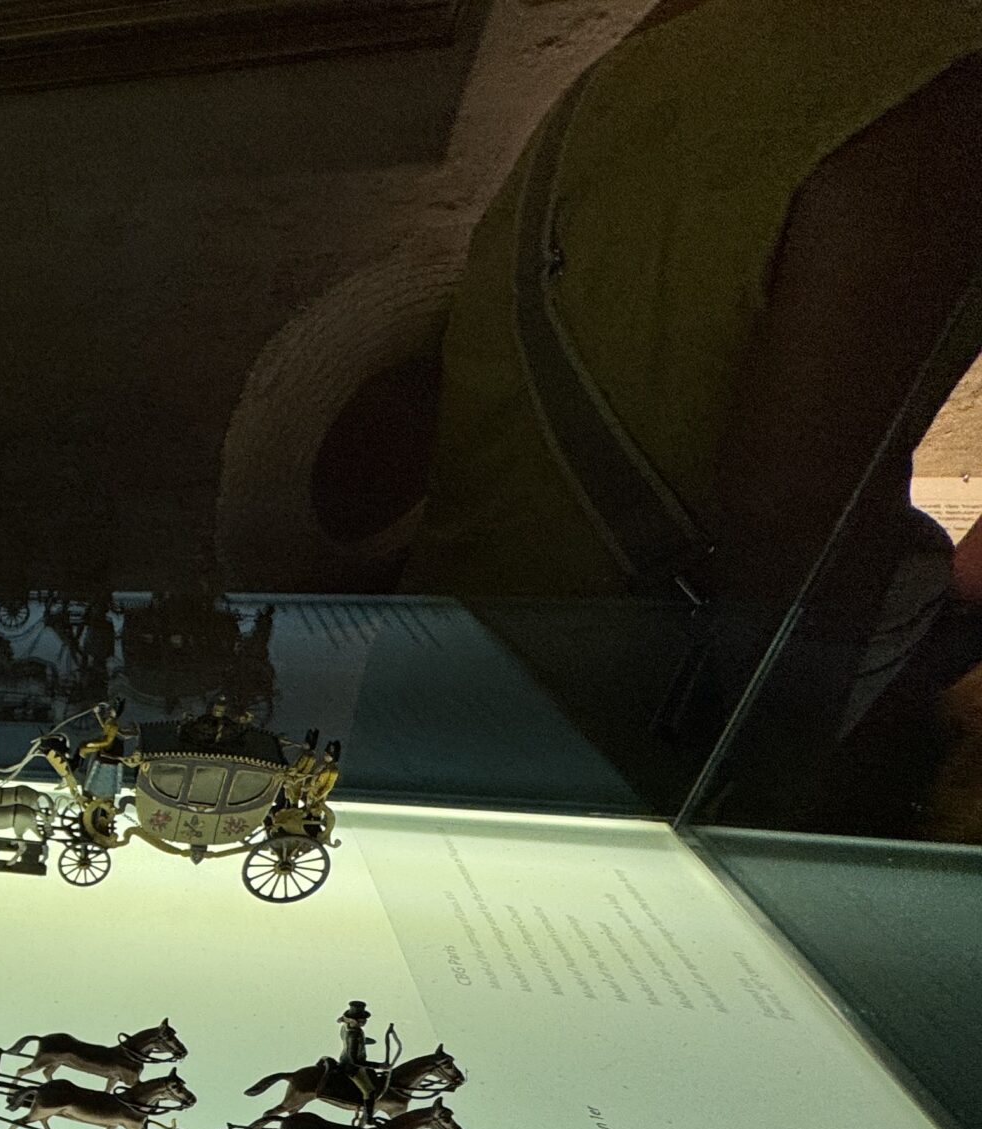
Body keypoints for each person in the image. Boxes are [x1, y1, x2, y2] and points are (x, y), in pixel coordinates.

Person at [401, 1, 982, 821]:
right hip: (617, 717)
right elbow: (793, 507)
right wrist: (777, 815)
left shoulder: (679, 31)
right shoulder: (942, 75)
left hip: (444, 655)